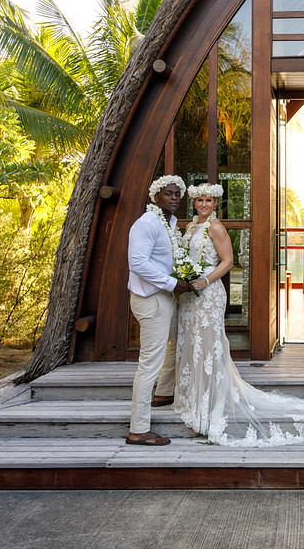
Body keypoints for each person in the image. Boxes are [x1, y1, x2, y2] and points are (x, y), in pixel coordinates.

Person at [174, 182, 304, 446]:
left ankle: (211, 403)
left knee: (208, 347)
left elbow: (227, 262)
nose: (203, 205)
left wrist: (206, 280)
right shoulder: (190, 227)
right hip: (190, 296)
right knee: (193, 344)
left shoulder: (215, 227)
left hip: (208, 294)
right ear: (193, 203)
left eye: (208, 201)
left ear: (215, 204)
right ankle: (193, 399)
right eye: (199, 200)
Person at [124, 174, 190, 446]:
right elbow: (137, 262)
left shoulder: (170, 224)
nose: (174, 197)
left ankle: (163, 393)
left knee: (174, 342)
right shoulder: (147, 223)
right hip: (151, 299)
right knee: (149, 363)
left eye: (177, 193)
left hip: (166, 297)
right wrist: (173, 282)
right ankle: (138, 430)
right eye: (168, 193)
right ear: (155, 197)